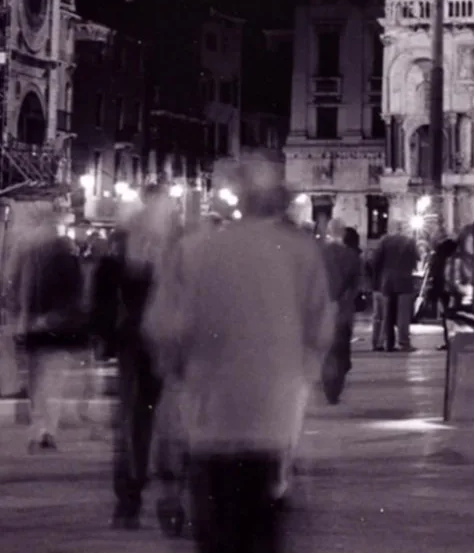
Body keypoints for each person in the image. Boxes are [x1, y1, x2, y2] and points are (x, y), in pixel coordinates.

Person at [144, 153, 333, 553]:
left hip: (209, 420)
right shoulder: (300, 252)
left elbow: (163, 330)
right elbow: (320, 332)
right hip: (274, 423)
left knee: (216, 536)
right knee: (263, 533)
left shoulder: (195, 250)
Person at [94, 185, 181, 527]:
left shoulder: (124, 245)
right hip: (163, 346)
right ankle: (167, 503)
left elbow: (103, 296)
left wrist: (105, 339)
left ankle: (130, 500)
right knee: (168, 424)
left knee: (135, 424)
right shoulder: (177, 246)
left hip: (135, 344)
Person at [11, 207, 87, 452]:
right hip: (50, 326)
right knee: (48, 380)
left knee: (41, 380)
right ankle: (45, 429)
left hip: (44, 325)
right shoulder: (57, 257)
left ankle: (42, 429)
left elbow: (21, 290)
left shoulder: (34, 256)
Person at [320, 228, 364, 404]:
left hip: (323, 310)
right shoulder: (352, 256)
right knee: (340, 348)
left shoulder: (320, 254)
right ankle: (336, 384)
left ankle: (329, 385)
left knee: (328, 349)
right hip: (343, 310)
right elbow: (357, 285)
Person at [372, 221, 420, 352]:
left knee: (387, 313)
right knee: (403, 314)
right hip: (405, 280)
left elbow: (375, 260)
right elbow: (417, 258)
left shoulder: (384, 241)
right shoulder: (409, 241)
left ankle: (389, 343)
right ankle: (404, 342)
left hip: (387, 281)